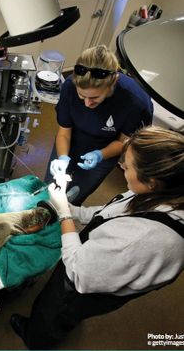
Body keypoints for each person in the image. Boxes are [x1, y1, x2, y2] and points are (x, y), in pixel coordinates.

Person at [11, 126, 184, 349]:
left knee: (56, 311)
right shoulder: (156, 191)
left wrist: (64, 214)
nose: (120, 165)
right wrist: (73, 210)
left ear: (152, 182)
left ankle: (36, 339)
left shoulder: (143, 240)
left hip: (87, 282)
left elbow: (77, 269)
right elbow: (110, 213)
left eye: (127, 165)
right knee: (63, 312)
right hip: (104, 266)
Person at [46, 45, 153, 205]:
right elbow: (64, 132)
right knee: (50, 188)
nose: (87, 104)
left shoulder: (136, 102)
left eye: (95, 98)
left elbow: (124, 142)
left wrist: (100, 155)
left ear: (114, 81)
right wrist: (62, 157)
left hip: (106, 151)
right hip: (70, 142)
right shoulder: (69, 86)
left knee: (75, 196)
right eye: (82, 96)